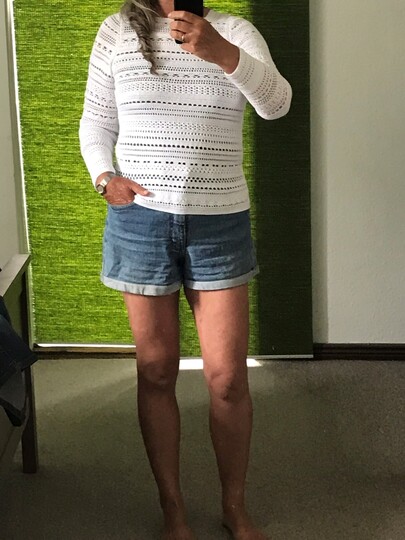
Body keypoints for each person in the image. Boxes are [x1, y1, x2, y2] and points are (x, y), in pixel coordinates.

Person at [79, 1, 292, 538]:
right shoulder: (116, 32)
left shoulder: (235, 30)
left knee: (228, 378)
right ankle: (172, 508)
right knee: (155, 371)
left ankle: (233, 506)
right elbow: (96, 121)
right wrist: (104, 177)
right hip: (140, 221)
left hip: (220, 222)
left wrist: (221, 53)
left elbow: (277, 104)